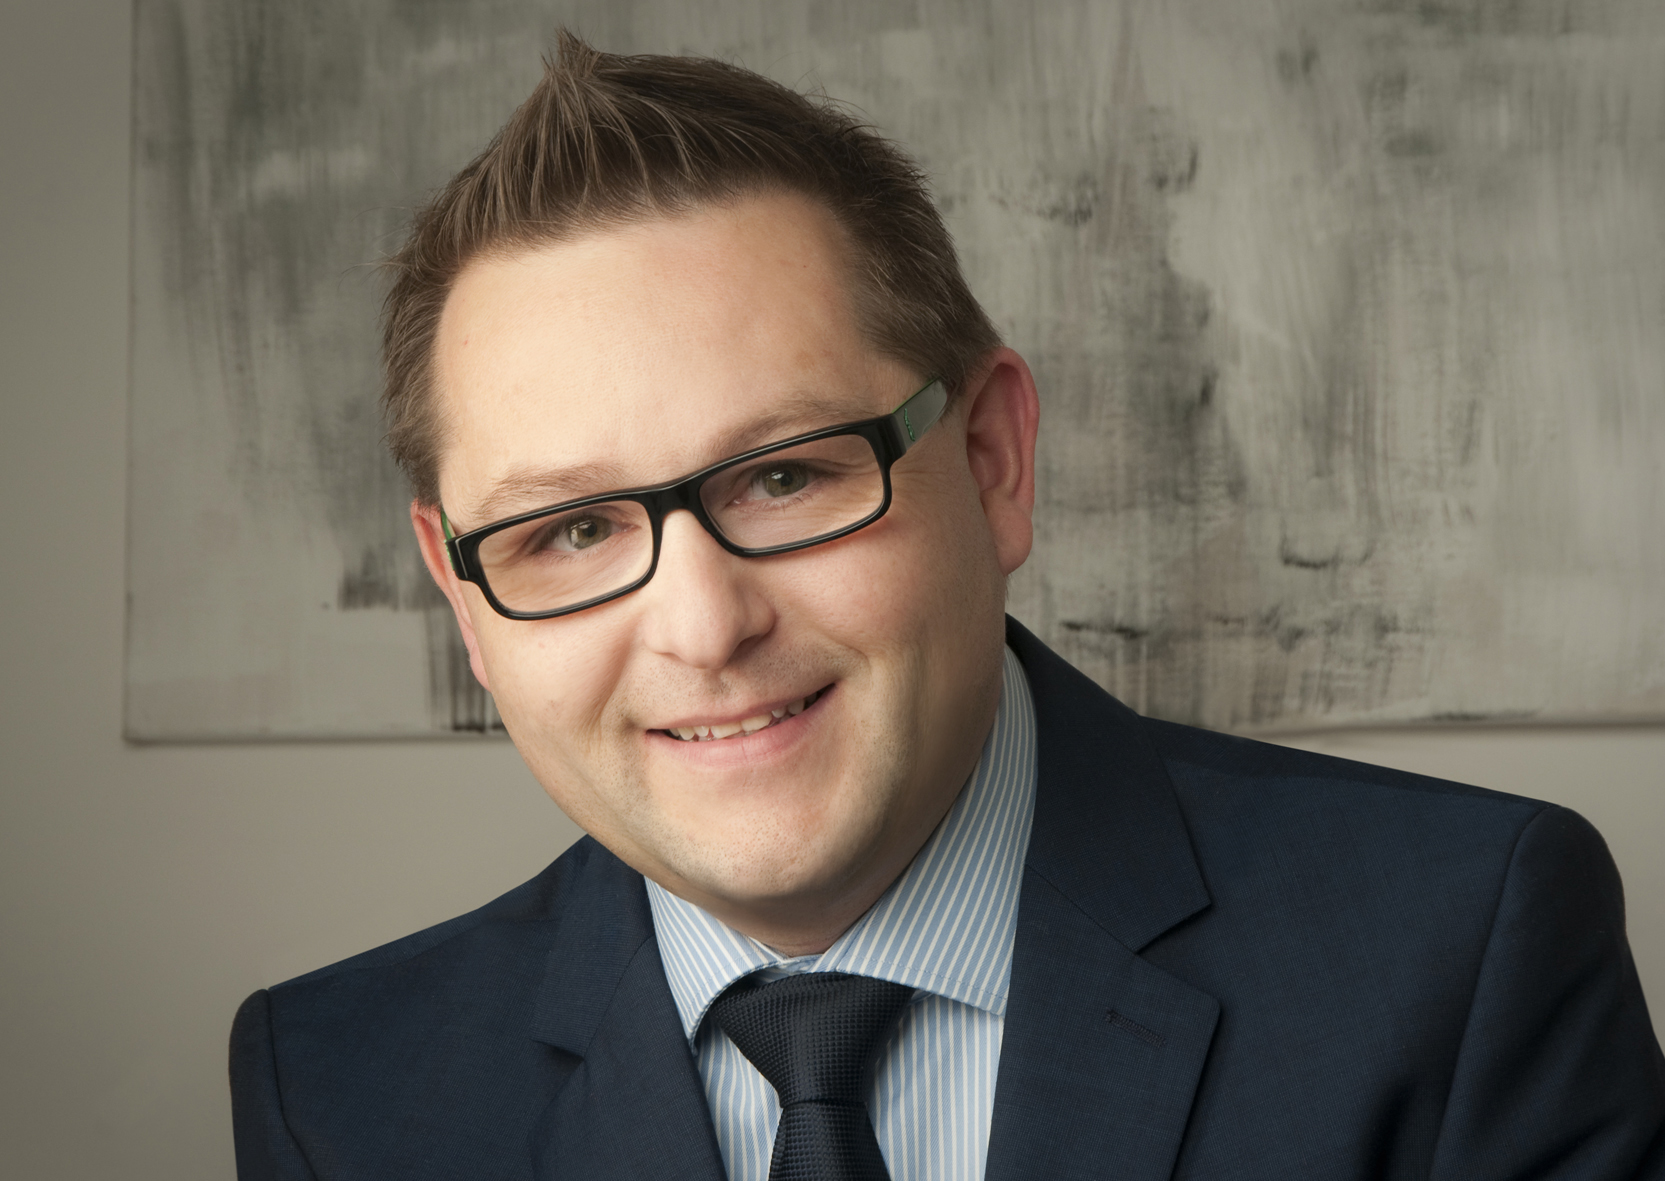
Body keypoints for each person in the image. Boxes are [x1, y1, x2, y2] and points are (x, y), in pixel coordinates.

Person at [229, 31, 1665, 1181]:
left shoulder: (1460, 952)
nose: (703, 627)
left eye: (784, 475)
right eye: (572, 529)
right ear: (463, 599)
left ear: (991, 461)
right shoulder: (339, 1088)